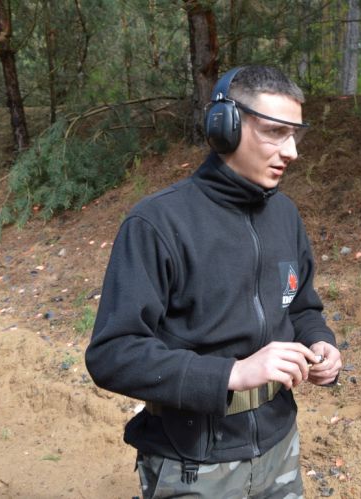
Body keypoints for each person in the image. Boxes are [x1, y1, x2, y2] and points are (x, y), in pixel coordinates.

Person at [85, 65, 342, 499]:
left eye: (295, 134)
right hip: (193, 463)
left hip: (280, 448)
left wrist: (320, 341)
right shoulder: (158, 222)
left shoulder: (285, 215)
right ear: (226, 127)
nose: (292, 151)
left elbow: (300, 305)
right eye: (276, 132)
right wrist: (233, 373)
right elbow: (113, 354)